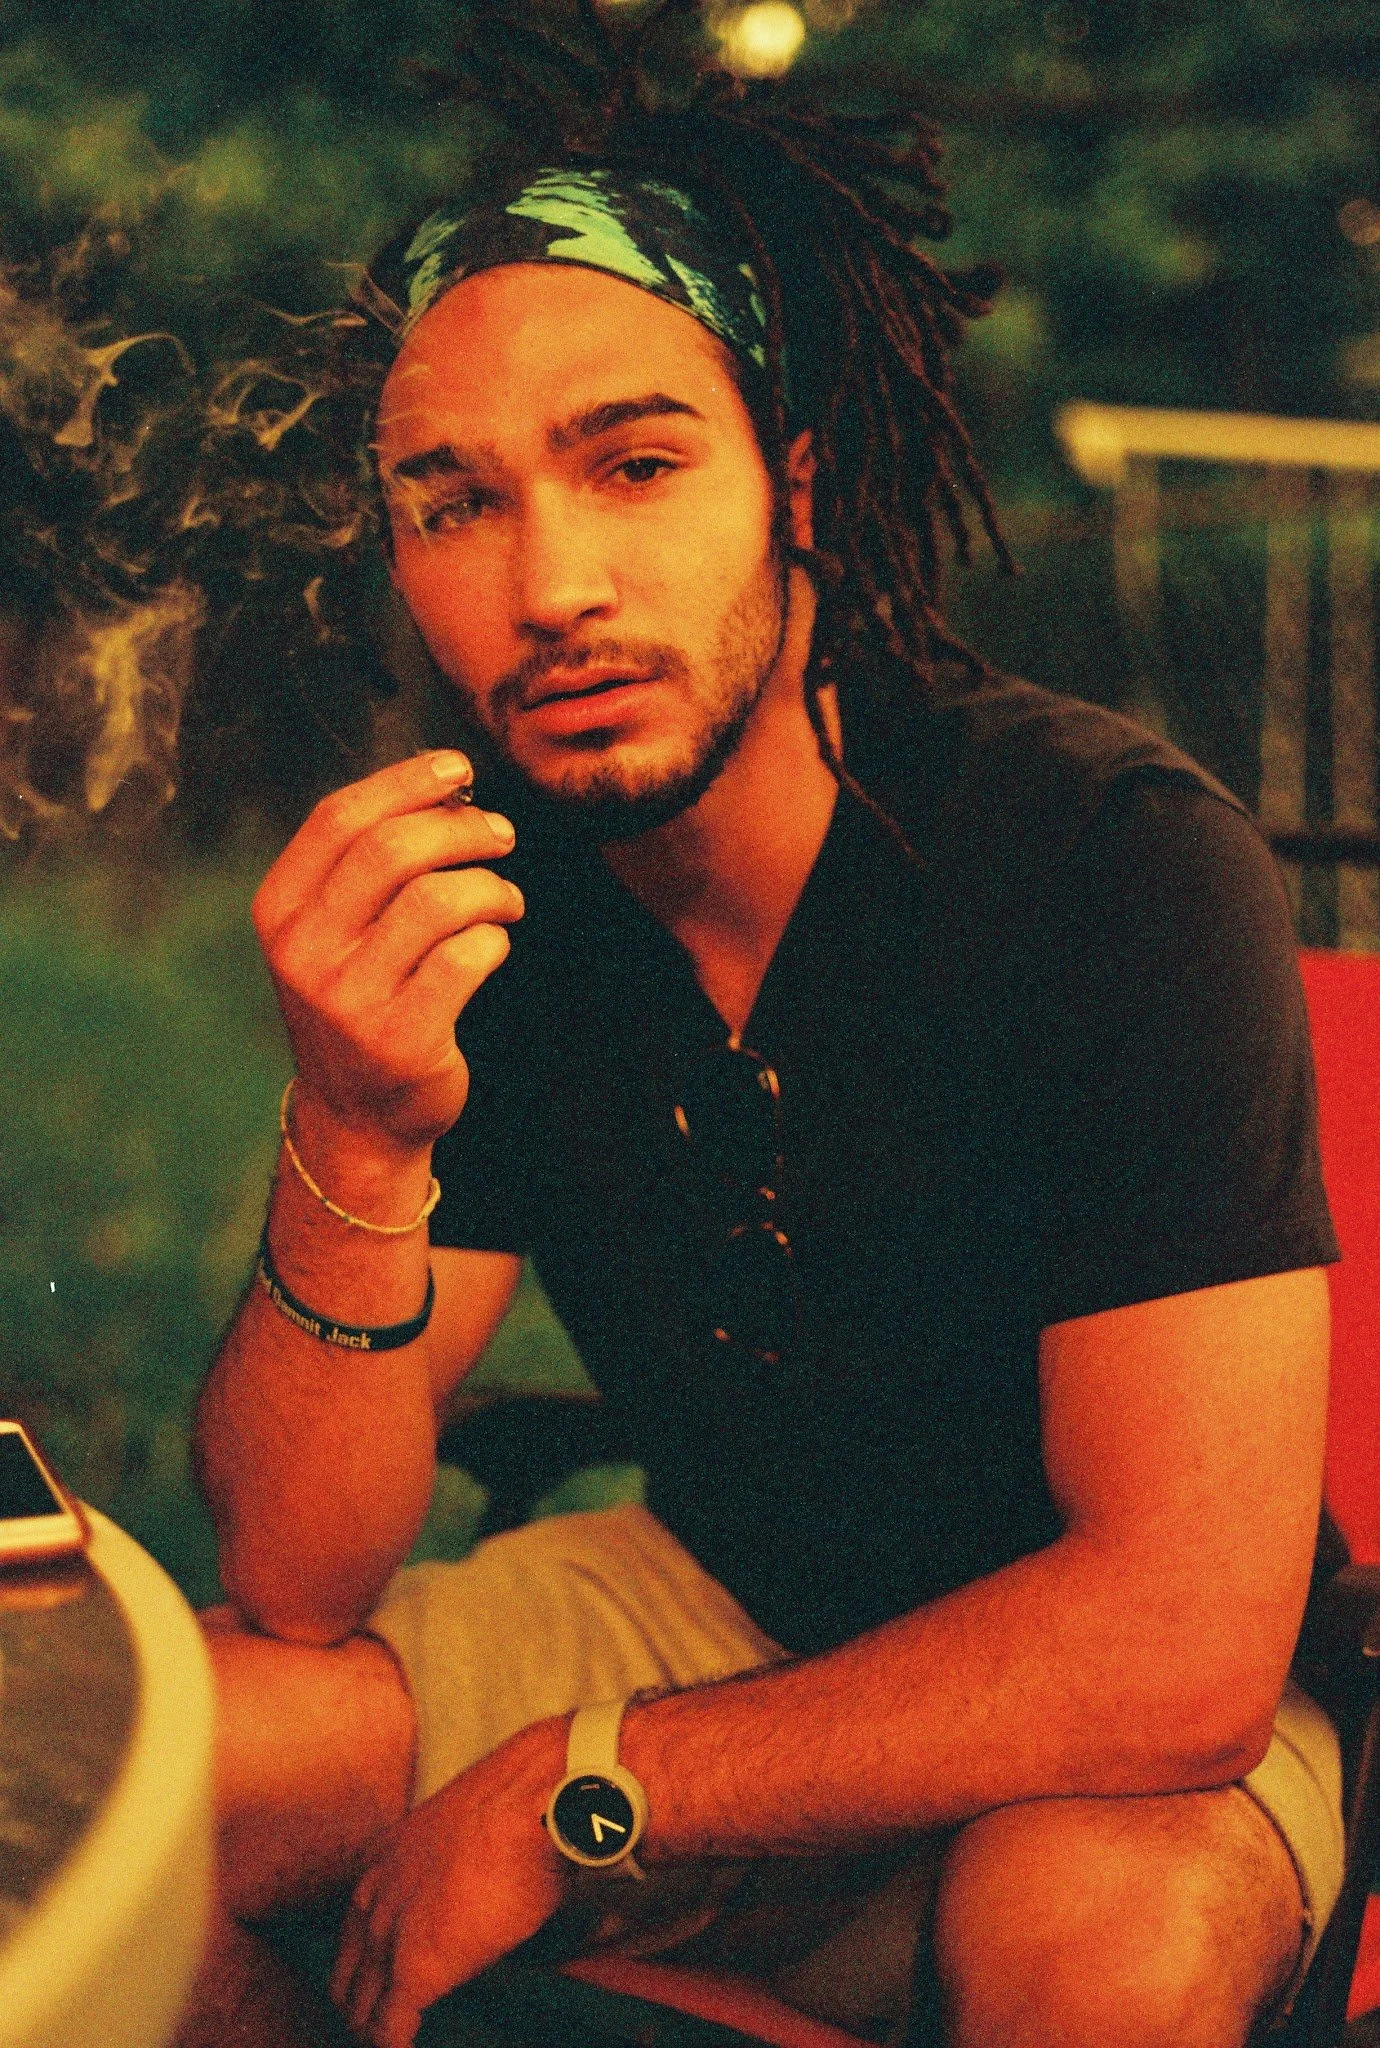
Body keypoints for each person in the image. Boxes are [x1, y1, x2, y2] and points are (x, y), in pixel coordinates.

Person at [183, 31, 1343, 2048]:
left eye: (635, 465)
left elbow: (1178, 1635)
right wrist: (355, 1132)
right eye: (456, 504)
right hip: (714, 1605)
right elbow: (294, 1575)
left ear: (796, 485)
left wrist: (578, 1792)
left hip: (1099, 1710)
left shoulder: (1101, 857)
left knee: (1094, 1945)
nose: (552, 585)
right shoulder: (510, 894)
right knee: (128, 1772)